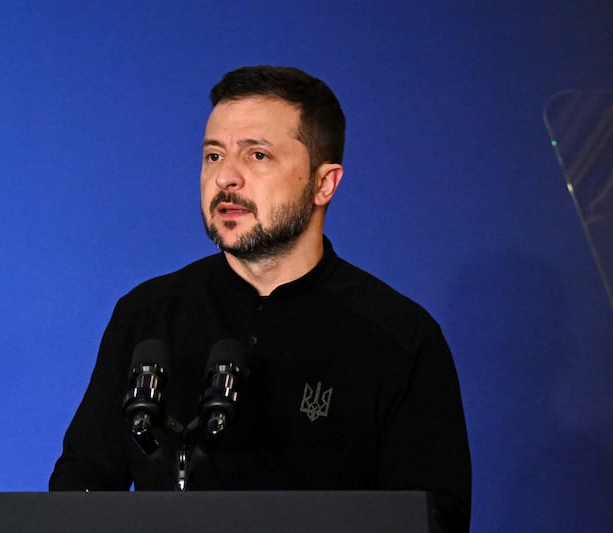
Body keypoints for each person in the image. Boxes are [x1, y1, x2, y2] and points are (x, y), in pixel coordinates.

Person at [50, 66, 471, 532]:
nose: (226, 178)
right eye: (213, 156)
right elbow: (80, 488)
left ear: (323, 183)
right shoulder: (147, 315)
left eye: (257, 155)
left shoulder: (400, 339)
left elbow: (435, 518)